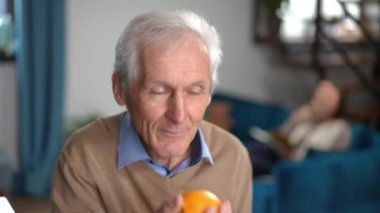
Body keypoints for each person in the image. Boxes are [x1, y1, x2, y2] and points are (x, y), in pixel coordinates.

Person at [51, 10, 252, 213]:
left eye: (194, 92)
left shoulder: (234, 157)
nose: (179, 115)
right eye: (158, 91)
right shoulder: (84, 155)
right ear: (120, 89)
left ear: (209, 93)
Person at [247, 80, 352, 176]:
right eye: (316, 98)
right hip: (279, 155)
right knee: (252, 150)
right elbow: (281, 134)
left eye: (323, 101)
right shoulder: (306, 116)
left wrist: (299, 156)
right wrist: (296, 119)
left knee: (253, 161)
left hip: (298, 167)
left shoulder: (340, 129)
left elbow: (335, 160)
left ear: (335, 106)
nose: (316, 103)